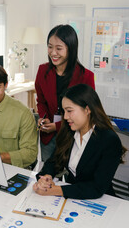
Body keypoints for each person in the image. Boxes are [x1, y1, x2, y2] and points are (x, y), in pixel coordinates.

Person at [33, 84, 125, 199]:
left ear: (87, 109)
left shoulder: (109, 140)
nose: (65, 117)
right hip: (73, 197)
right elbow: (53, 162)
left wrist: (55, 190)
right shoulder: (69, 131)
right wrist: (45, 178)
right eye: (64, 111)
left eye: (69, 111)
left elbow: (97, 188)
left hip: (100, 201)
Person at [35, 24, 95, 162]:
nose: (53, 53)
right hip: (48, 137)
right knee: (48, 175)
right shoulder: (43, 71)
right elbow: (41, 101)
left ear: (71, 49)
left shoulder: (86, 76)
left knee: (72, 176)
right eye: (50, 47)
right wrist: (43, 118)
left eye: (59, 48)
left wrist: (57, 126)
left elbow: (88, 112)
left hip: (74, 135)